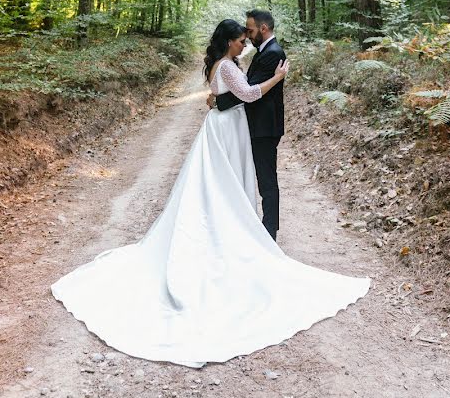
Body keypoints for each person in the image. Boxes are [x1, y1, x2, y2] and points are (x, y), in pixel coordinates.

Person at [51, 19, 369, 368]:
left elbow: (226, 96)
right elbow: (246, 95)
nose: (244, 43)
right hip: (228, 128)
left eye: (247, 37)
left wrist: (217, 99)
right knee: (225, 182)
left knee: (222, 183)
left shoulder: (224, 64)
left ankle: (232, 228)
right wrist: (278, 78)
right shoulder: (228, 66)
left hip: (224, 125)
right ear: (229, 42)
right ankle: (231, 232)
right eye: (240, 39)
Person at [208, 9, 286, 241]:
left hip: (264, 127)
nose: (248, 38)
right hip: (252, 125)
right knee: (243, 174)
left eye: (250, 31)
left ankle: (269, 232)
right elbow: (246, 89)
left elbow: (248, 91)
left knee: (266, 179)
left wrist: (219, 101)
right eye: (243, 37)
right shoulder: (258, 53)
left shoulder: (273, 53)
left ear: (263, 29)